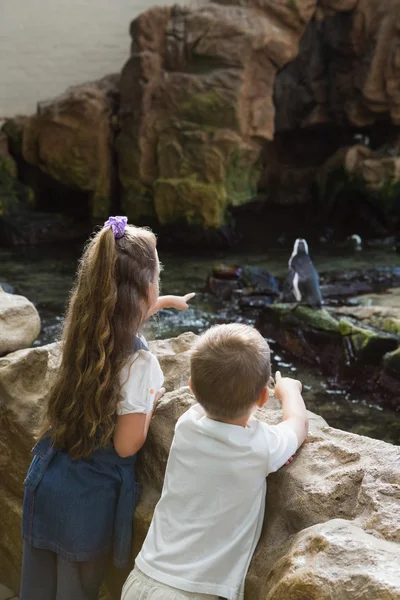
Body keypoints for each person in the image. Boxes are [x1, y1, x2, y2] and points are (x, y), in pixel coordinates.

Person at [20, 216, 195, 600]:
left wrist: (166, 303)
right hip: (83, 507)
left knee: (38, 589)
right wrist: (151, 398)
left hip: (46, 481)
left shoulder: (83, 331)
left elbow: (122, 309)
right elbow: (126, 445)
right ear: (145, 287)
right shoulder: (139, 364)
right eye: (158, 279)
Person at [122, 323, 308, 600]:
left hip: (143, 578)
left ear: (191, 388)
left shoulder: (187, 424)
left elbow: (220, 408)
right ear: (263, 397)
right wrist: (290, 391)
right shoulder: (259, 446)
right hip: (195, 593)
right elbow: (298, 424)